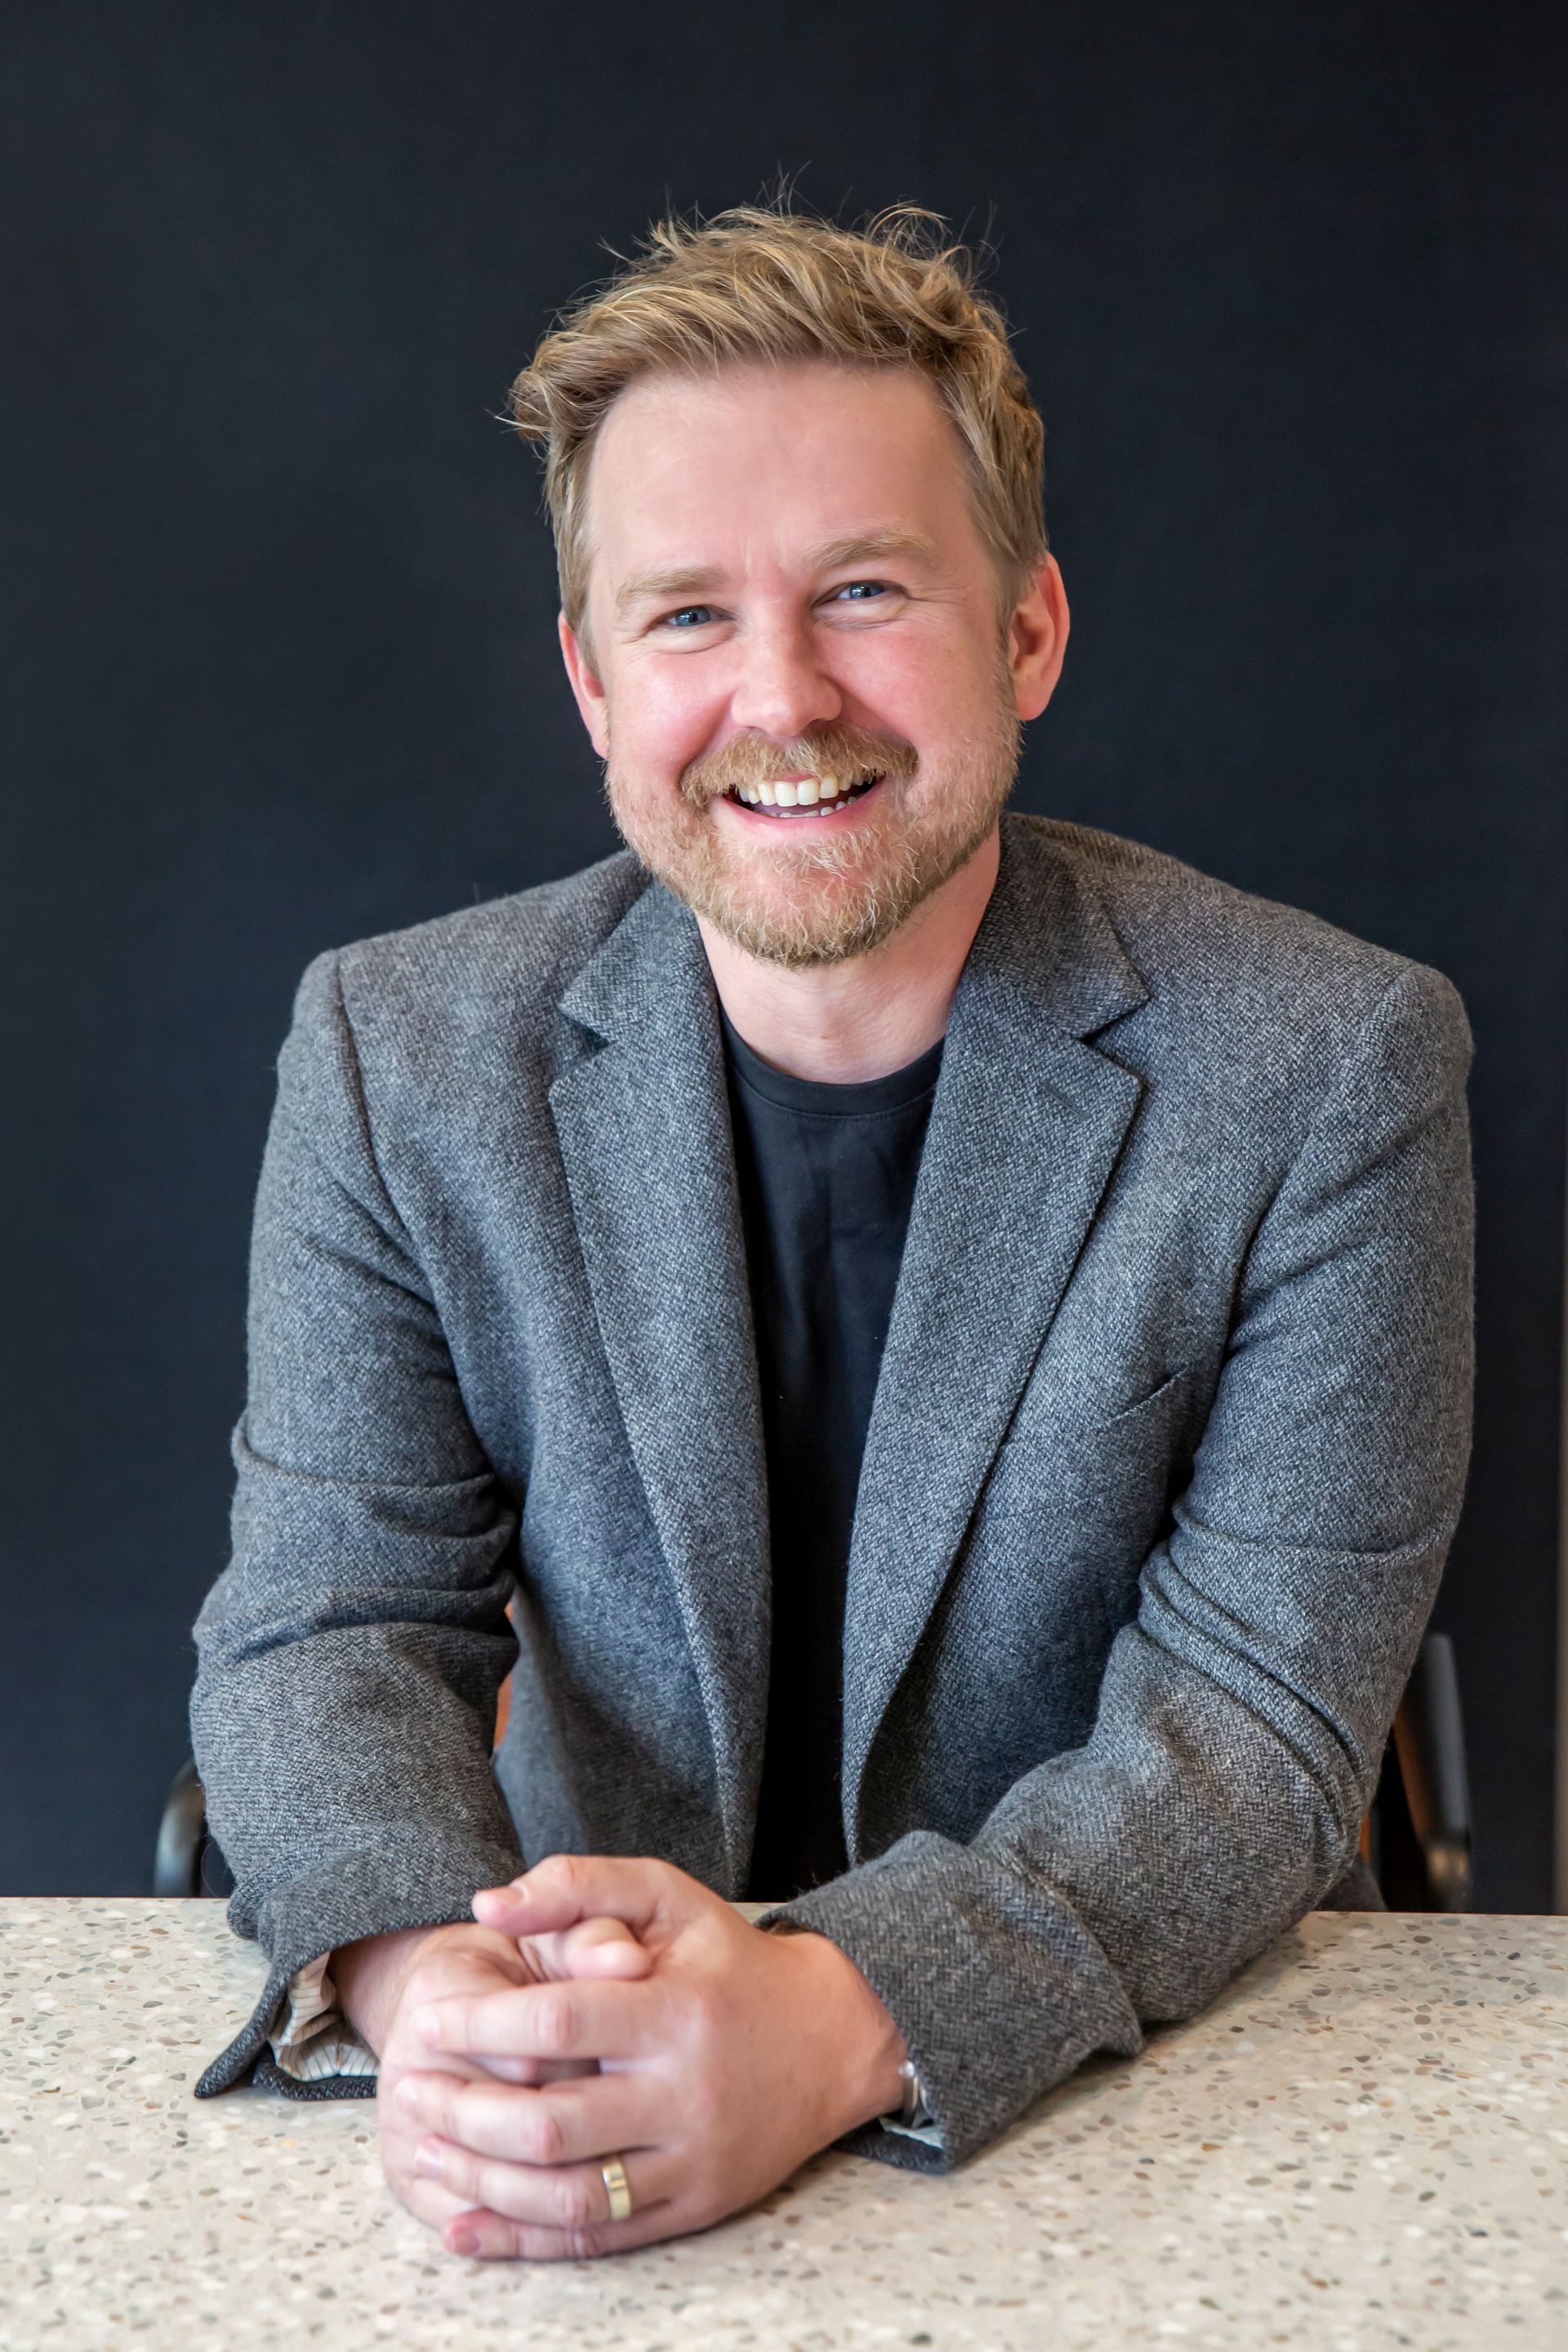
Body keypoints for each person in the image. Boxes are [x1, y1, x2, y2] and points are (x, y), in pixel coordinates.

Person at [190, 204, 1474, 2263]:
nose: (781, 699)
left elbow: (1256, 1719)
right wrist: (435, 2000)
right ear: (592, 683)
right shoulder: (395, 1051)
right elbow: (326, 1628)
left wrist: (837, 2016)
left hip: (1127, 2107)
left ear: (1027, 634)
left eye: (865, 590)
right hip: (572, 2031)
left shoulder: (1336, 1064)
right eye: (686, 616)